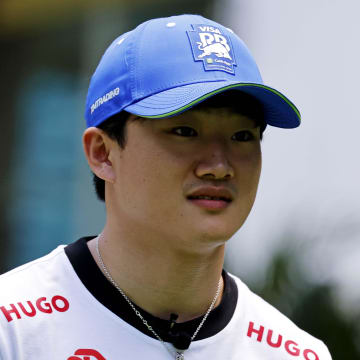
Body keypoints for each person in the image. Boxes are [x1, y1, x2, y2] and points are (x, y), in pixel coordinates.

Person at [0, 14, 331, 360]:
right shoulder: (14, 329)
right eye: (185, 131)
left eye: (242, 136)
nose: (219, 167)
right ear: (103, 153)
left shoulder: (296, 353)